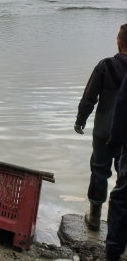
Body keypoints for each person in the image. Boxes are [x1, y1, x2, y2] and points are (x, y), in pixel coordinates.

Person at [74, 24, 127, 231]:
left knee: (99, 170)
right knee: (125, 177)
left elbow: (89, 98)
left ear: (119, 43)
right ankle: (119, 223)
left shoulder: (105, 66)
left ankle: (95, 216)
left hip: (104, 131)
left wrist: (80, 120)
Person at [105, 74, 127, 261]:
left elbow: (122, 102)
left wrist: (115, 139)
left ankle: (113, 253)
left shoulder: (105, 65)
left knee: (122, 197)